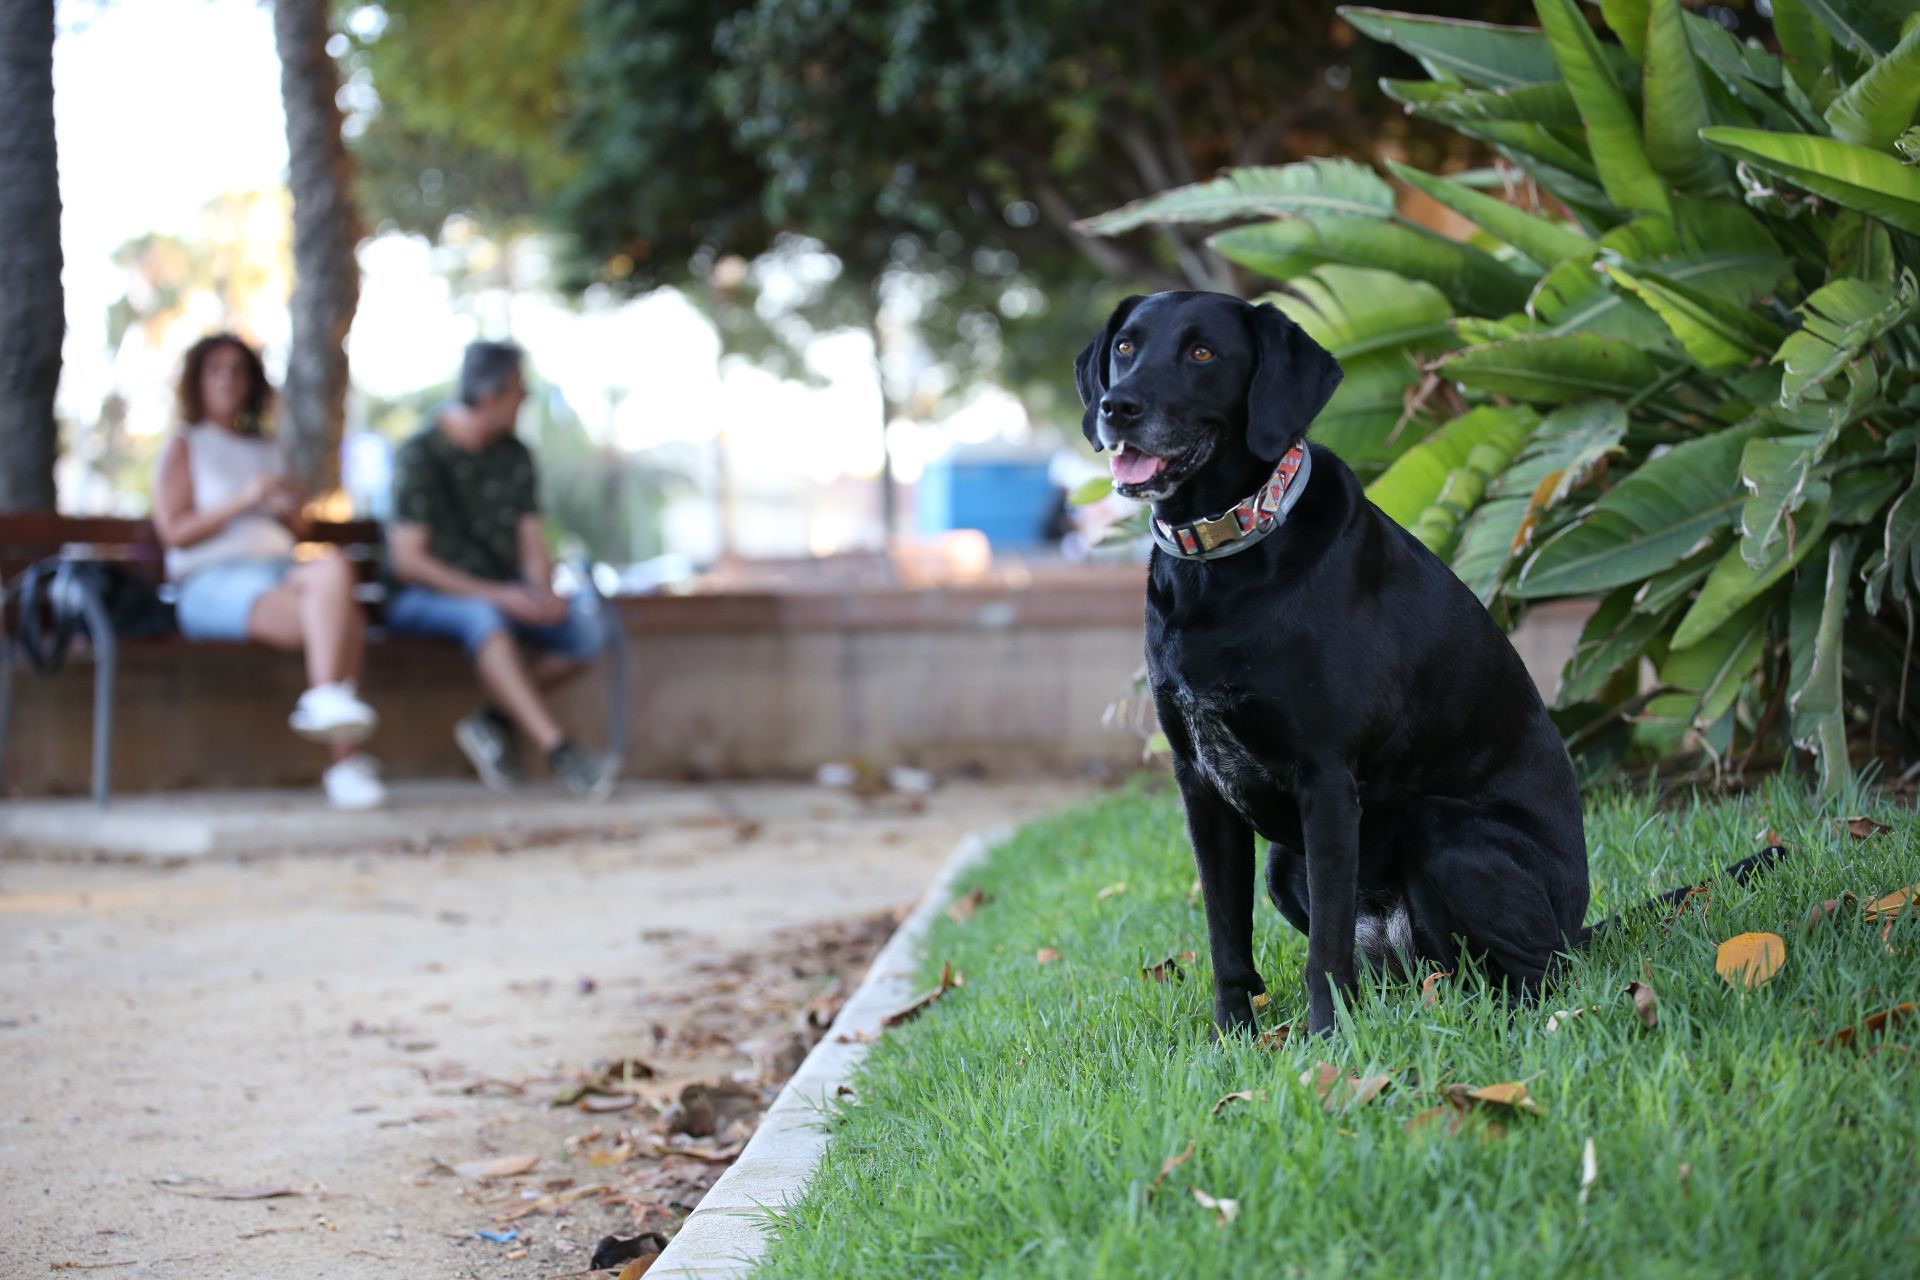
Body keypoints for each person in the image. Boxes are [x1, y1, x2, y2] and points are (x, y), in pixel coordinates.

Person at [151, 333, 386, 809]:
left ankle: (326, 705)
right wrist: (243, 499)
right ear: (197, 381)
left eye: (237, 370)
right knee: (348, 623)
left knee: (334, 566)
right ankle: (344, 761)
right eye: (215, 369)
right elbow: (173, 533)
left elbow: (297, 530)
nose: (227, 380)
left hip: (278, 569)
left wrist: (286, 506)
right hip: (212, 582)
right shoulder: (185, 445)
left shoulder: (269, 449)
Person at [385, 341, 618, 799]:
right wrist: (497, 596)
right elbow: (408, 562)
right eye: (519, 389)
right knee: (483, 619)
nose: (526, 399)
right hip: (421, 598)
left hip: (500, 591)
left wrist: (542, 590)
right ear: (489, 395)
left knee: (587, 633)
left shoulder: (515, 454)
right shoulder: (421, 454)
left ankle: (493, 719)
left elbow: (531, 538)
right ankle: (561, 751)